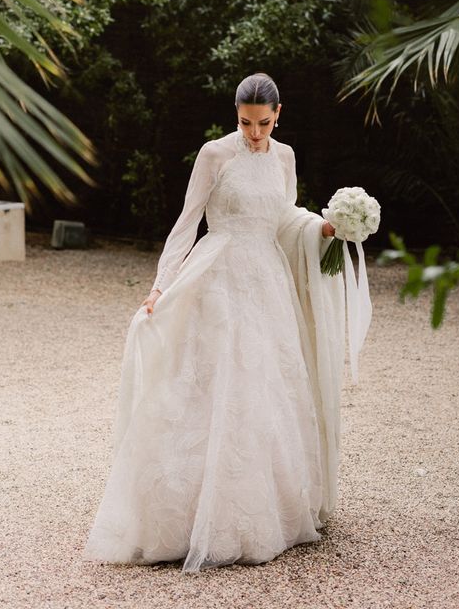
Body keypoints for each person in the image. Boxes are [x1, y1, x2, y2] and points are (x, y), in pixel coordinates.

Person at [83, 72, 371, 573]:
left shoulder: (285, 157)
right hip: (217, 274)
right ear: (234, 115)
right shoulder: (214, 154)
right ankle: (188, 516)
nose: (254, 133)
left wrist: (325, 227)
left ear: (278, 115)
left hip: (268, 281)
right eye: (244, 122)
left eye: (263, 123)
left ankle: (263, 512)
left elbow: (283, 219)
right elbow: (186, 221)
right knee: (209, 385)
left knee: (265, 389)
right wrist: (159, 286)